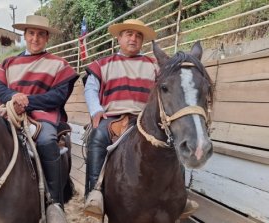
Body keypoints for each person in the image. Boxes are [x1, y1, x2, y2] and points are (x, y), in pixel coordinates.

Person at [83, 19, 198, 218]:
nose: (133, 38)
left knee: (173, 140)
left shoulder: (154, 66)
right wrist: (96, 110)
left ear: (142, 41)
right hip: (114, 118)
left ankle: (180, 195)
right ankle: (94, 193)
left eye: (138, 36)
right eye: (128, 34)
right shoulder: (102, 64)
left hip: (145, 120)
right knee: (97, 136)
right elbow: (90, 88)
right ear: (119, 38)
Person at [0, 15, 78, 220]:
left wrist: (26, 101)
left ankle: (55, 203)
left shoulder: (59, 64)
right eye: (31, 33)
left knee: (47, 140)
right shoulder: (8, 62)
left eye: (40, 34)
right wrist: (13, 98)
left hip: (43, 116)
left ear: (47, 38)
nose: (35, 38)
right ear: (24, 36)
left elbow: (58, 96)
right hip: (9, 112)